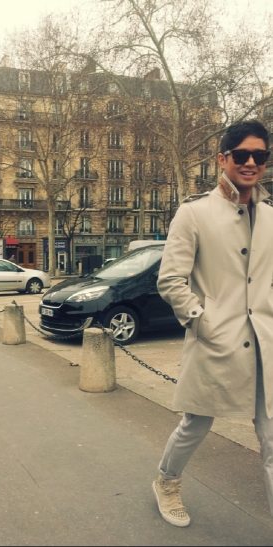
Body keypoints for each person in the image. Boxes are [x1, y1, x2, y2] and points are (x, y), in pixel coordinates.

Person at [152, 120, 273, 527]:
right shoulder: (194, 213)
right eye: (242, 154)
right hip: (215, 340)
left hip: (265, 343)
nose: (251, 162)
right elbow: (171, 280)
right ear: (223, 159)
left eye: (260, 155)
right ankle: (167, 481)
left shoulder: (271, 216)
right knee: (196, 424)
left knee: (271, 438)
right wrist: (201, 321)